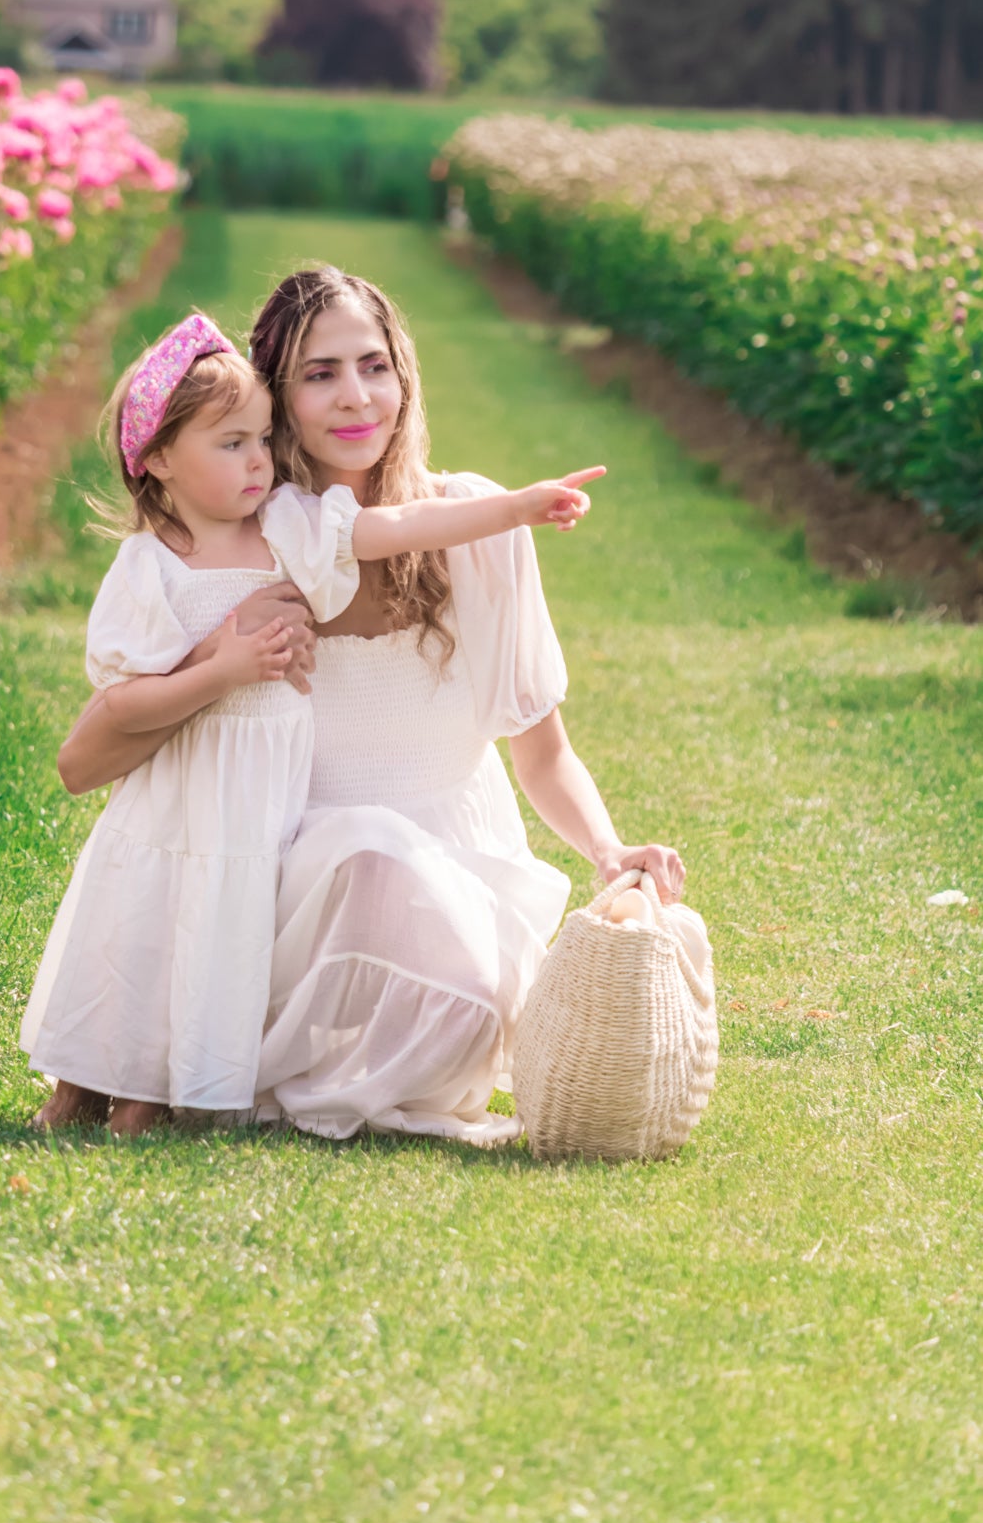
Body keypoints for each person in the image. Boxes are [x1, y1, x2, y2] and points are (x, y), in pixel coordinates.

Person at [54, 268, 685, 1145]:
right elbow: (87, 760)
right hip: (284, 878)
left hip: (449, 877)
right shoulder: (248, 540)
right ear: (274, 399)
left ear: (404, 376)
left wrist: (610, 849)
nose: (355, 397)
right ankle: (188, 1060)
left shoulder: (471, 521)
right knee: (360, 846)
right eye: (318, 374)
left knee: (462, 996)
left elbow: (540, 752)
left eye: (373, 365)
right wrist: (217, 655)